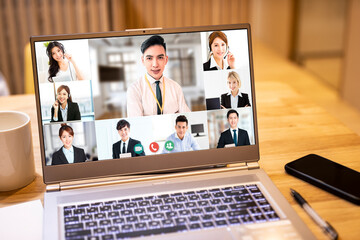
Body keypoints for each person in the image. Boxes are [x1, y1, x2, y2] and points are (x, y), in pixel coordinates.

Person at [127, 35, 190, 117]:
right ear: (143, 61)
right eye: (149, 58)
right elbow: (137, 124)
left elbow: (187, 118)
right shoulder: (135, 89)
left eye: (160, 57)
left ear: (166, 60)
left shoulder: (175, 87)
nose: (155, 64)